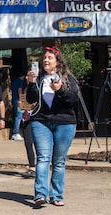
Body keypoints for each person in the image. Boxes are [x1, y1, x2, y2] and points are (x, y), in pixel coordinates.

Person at [25, 46, 80, 206]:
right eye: (45, 58)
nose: (46, 60)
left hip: (64, 123)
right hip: (41, 121)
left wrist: (60, 90)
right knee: (43, 158)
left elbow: (73, 99)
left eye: (50, 58)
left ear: (58, 62)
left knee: (59, 161)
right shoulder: (39, 78)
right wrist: (31, 83)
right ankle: (41, 194)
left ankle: (56, 195)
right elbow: (30, 99)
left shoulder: (67, 78)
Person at [11, 70, 27, 140]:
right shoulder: (20, 81)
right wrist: (21, 100)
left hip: (14, 100)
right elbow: (20, 91)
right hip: (18, 100)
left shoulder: (15, 81)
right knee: (19, 116)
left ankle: (17, 132)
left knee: (18, 116)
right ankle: (16, 132)